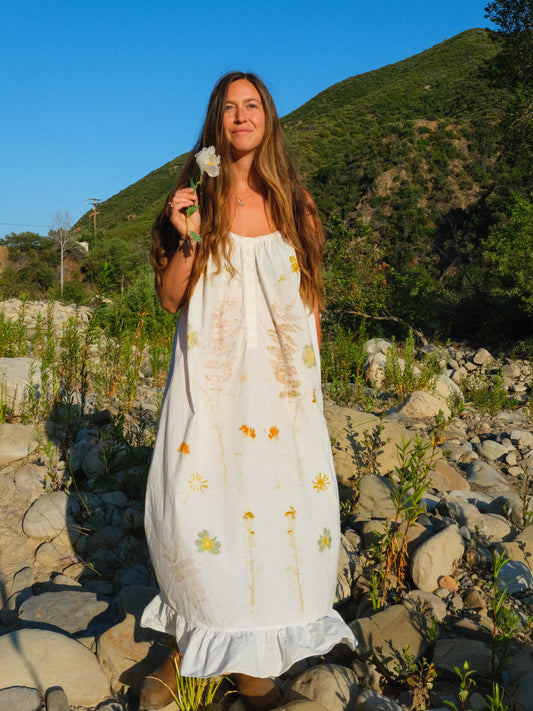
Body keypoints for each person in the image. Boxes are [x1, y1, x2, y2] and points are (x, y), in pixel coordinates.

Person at [139, 71, 356, 711]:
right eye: (229, 107)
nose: (241, 115)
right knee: (197, 510)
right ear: (216, 121)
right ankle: (191, 642)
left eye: (251, 104)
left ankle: (254, 662)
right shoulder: (194, 202)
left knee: (277, 512)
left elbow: (310, 303)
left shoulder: (297, 206)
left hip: (282, 392)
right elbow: (171, 299)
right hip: (211, 388)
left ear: (268, 117)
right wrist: (187, 236)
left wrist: (311, 394)